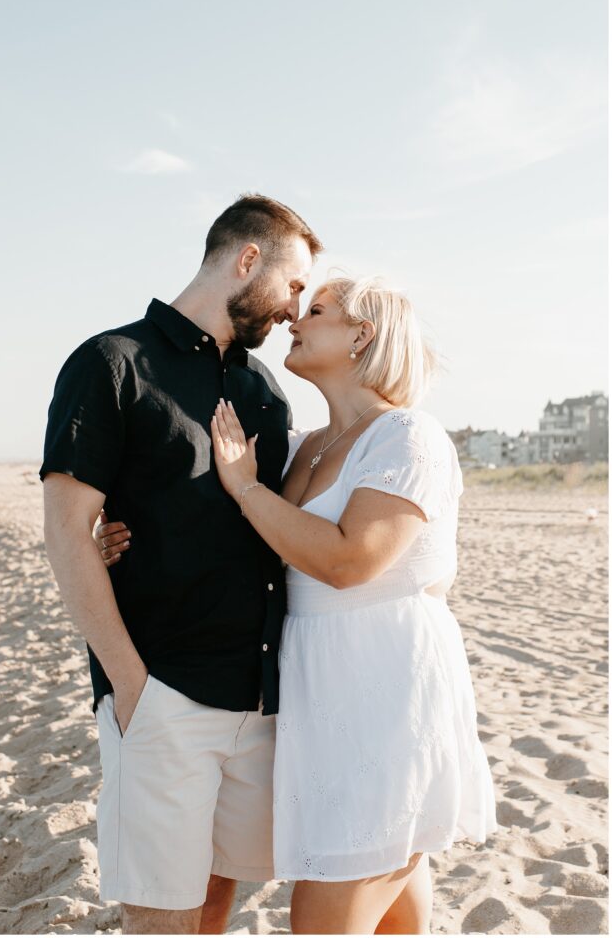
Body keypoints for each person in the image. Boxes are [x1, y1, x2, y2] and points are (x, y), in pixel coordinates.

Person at [101, 274, 498, 934]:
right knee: (384, 887)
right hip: (315, 690)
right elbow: (257, 554)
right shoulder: (306, 446)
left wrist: (245, 487)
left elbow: (348, 560)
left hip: (384, 683)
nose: (294, 320)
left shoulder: (408, 436)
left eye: (315, 311)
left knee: (327, 909)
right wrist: (118, 543)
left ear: (360, 335)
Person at [41, 193, 322, 935]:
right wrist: (130, 688)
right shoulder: (110, 362)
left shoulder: (265, 392)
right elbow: (67, 533)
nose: (296, 308)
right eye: (294, 285)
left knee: (216, 900)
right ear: (248, 258)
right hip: (160, 691)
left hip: (257, 696)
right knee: (161, 915)